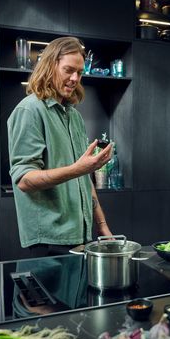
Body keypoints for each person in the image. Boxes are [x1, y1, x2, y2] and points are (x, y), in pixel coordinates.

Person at [7, 36, 113, 256]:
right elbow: (24, 180)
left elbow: (83, 177)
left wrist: (102, 226)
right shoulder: (29, 110)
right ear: (49, 66)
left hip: (79, 235)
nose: (75, 78)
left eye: (80, 73)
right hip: (49, 240)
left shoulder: (73, 116)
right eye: (68, 70)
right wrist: (79, 169)